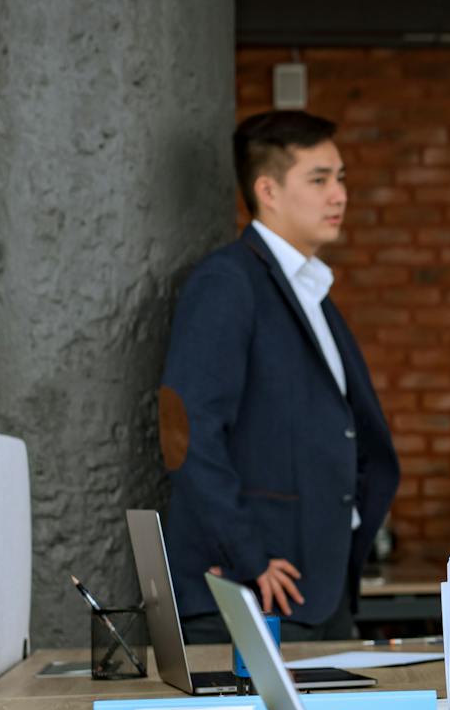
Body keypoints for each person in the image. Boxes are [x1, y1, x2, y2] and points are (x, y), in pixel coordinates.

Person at [158, 110, 400, 643]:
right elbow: (186, 430)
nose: (338, 195)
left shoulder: (311, 290)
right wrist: (249, 555)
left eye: (340, 178)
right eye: (319, 179)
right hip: (255, 594)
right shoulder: (228, 282)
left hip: (314, 593)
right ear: (268, 190)